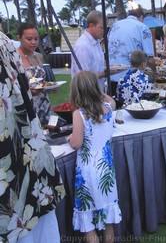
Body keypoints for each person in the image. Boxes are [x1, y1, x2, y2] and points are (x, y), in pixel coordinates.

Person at [0, 31, 65, 243]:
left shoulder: (6, 45)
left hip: (19, 169)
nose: (33, 42)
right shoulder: (8, 44)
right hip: (29, 163)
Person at [67, 71, 122, 243]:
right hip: (106, 169)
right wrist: (100, 93)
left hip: (88, 171)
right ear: (96, 89)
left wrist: (69, 138)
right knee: (107, 219)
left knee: (88, 221)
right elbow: (112, 101)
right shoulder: (107, 108)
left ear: (76, 91)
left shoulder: (79, 114)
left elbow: (76, 143)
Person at [17, 22, 66, 127]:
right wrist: (29, 91)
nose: (33, 42)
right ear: (19, 38)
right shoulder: (15, 58)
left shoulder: (38, 56)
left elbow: (40, 81)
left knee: (50, 132)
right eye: (29, 39)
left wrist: (50, 86)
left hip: (44, 103)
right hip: (28, 105)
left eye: (36, 39)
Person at [108, 8, 156, 84]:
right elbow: (149, 59)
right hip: (132, 79)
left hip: (113, 76)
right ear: (141, 17)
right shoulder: (143, 27)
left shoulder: (114, 25)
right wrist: (154, 72)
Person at [71, 10, 106, 91]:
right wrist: (105, 73)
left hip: (97, 92)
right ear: (91, 26)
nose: (103, 30)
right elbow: (84, 77)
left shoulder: (96, 42)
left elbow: (97, 65)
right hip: (87, 95)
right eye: (101, 27)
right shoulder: (83, 46)